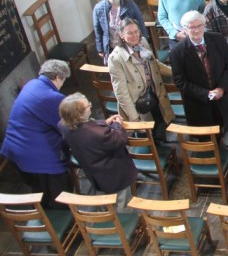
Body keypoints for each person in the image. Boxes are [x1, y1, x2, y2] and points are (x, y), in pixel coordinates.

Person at [0, 60, 72, 208]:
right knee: (61, 198)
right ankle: (62, 221)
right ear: (58, 77)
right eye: (63, 80)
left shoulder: (31, 85)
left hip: (15, 152)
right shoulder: (54, 97)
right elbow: (68, 127)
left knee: (40, 192)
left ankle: (42, 215)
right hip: (41, 160)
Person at [58, 93, 137, 209]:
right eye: (88, 105)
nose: (90, 106)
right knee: (121, 202)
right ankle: (121, 218)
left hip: (93, 171)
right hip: (114, 174)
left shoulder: (63, 125)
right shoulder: (98, 134)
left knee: (104, 202)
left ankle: (106, 214)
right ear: (79, 115)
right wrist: (117, 124)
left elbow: (88, 127)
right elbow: (120, 139)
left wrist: (104, 123)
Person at [169, 10, 228, 130]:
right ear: (185, 29)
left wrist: (221, 88)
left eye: (199, 26)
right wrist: (206, 94)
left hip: (222, 97)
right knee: (207, 135)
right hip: (198, 103)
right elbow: (180, 81)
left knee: (225, 128)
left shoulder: (218, 39)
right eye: (192, 27)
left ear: (204, 25)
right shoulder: (176, 52)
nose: (196, 30)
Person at [108, 18, 174, 141]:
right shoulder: (116, 58)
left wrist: (176, 72)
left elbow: (155, 64)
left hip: (153, 94)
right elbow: (121, 93)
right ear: (121, 35)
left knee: (160, 126)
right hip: (137, 104)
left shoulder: (142, 42)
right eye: (129, 33)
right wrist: (134, 118)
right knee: (147, 136)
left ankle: (162, 145)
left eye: (136, 31)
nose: (134, 36)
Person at [93, 0, 147, 64]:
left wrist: (143, 42)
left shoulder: (130, 4)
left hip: (131, 44)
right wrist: (100, 49)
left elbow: (140, 23)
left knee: (138, 66)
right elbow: (98, 30)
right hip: (112, 47)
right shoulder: (98, 8)